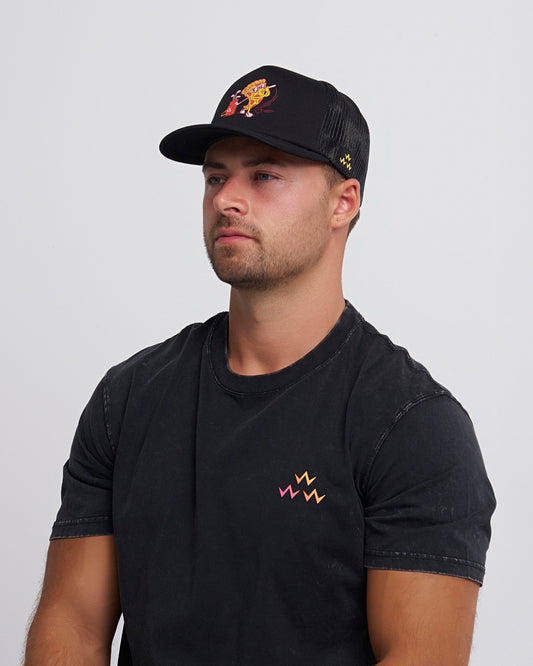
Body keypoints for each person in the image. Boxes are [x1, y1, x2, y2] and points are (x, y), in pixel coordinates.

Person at [25, 65, 495, 665]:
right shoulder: (129, 399)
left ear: (343, 203)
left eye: (265, 175)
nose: (226, 198)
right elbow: (71, 623)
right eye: (215, 176)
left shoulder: (412, 426)